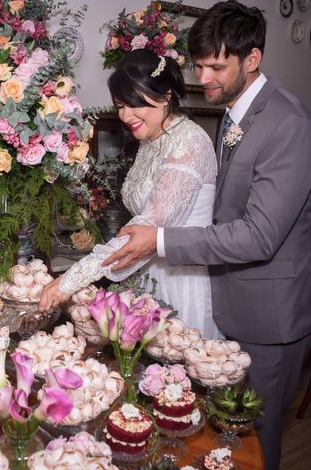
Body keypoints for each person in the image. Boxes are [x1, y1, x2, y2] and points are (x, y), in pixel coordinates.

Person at [101, 1, 311, 470]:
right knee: (218, 440)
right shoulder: (235, 116)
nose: (204, 77)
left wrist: (159, 241)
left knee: (254, 439)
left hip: (267, 316)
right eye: (198, 65)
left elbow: (259, 235)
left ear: (252, 58)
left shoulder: (288, 123)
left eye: (215, 66)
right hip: (226, 297)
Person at [39, 48, 221, 339]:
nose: (125, 115)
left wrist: (70, 280)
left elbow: (146, 228)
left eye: (134, 104)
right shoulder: (151, 139)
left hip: (179, 280)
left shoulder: (188, 143)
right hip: (144, 273)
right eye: (120, 106)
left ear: (165, 96)